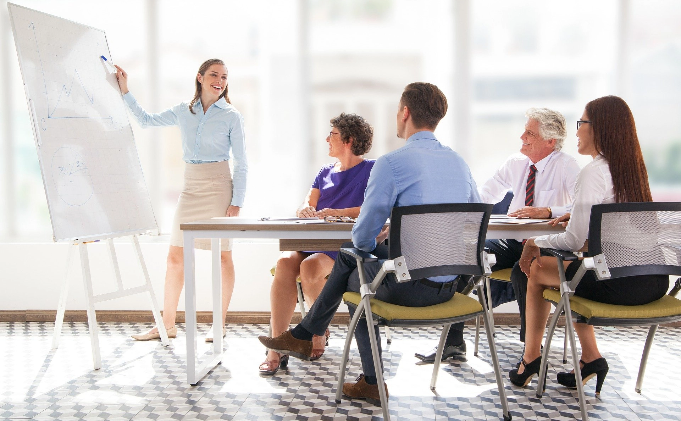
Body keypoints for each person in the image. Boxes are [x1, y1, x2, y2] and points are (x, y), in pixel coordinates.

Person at [259, 82, 480, 404]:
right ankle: (308, 337)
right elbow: (471, 222)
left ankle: (349, 364)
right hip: (452, 286)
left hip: (408, 287)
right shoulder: (459, 163)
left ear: (405, 113)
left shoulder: (392, 163)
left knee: (354, 267)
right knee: (354, 262)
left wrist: (378, 237)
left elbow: (363, 237)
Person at [509, 96, 669, 395]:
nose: (578, 131)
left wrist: (534, 241)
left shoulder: (593, 172)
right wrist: (583, 219)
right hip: (655, 281)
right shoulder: (632, 170)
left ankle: (530, 359)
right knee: (570, 274)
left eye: (582, 123)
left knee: (536, 268)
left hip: (619, 285)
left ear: (600, 129)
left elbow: (571, 240)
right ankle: (590, 358)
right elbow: (611, 230)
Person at [415, 108, 580, 363]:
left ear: (550, 141)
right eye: (525, 130)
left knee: (524, 272)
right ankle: (453, 342)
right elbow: (485, 196)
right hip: (513, 242)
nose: (522, 136)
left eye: (530, 133)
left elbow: (582, 208)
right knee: (466, 256)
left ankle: (531, 354)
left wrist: (548, 211)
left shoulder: (567, 166)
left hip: (546, 246)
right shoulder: (516, 162)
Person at [115, 59, 248, 342]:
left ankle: (219, 325)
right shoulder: (183, 111)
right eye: (214, 74)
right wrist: (125, 91)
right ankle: (167, 325)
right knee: (175, 256)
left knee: (223, 257)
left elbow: (242, 163)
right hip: (190, 188)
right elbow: (146, 121)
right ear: (200, 77)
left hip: (219, 187)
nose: (220, 80)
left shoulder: (232, 116)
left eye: (224, 76)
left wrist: (237, 200)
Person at [260, 113, 375, 375]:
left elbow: (372, 207)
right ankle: (276, 347)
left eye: (332, 134)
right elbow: (307, 202)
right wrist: (305, 210)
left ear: (349, 139)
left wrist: (334, 212)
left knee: (311, 267)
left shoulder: (371, 169)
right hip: (312, 238)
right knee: (284, 263)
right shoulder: (324, 172)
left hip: (342, 245)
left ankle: (316, 329)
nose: (327, 139)